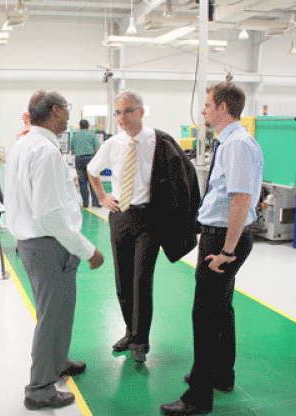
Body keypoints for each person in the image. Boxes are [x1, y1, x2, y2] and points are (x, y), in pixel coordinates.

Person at [160, 82, 263, 415]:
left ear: (222, 108)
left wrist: (228, 251)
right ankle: (221, 374)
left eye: (207, 104)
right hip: (220, 236)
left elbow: (241, 198)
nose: (202, 110)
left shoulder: (237, 145)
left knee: (204, 316)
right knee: (222, 310)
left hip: (224, 239)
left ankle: (198, 396)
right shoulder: (230, 142)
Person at [5, 90, 105, 411]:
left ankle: (58, 362)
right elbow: (48, 215)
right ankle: (39, 388)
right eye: (66, 109)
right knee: (51, 316)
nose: (69, 115)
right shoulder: (45, 151)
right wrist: (87, 248)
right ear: (54, 110)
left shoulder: (24, 144)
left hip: (33, 242)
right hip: (49, 244)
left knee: (61, 309)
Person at [87, 90, 200, 363]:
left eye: (127, 110)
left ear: (141, 111)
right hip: (121, 216)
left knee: (140, 279)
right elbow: (92, 170)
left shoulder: (159, 141)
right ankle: (130, 331)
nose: (122, 117)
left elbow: (184, 176)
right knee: (123, 280)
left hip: (149, 219)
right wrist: (102, 197)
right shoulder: (112, 144)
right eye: (118, 112)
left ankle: (141, 341)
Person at [70, 119, 101, 208]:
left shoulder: (75, 136)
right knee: (93, 180)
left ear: (79, 126)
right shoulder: (92, 135)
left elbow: (71, 149)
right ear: (88, 126)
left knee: (82, 181)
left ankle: (85, 203)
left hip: (79, 159)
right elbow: (97, 149)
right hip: (90, 158)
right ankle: (95, 202)